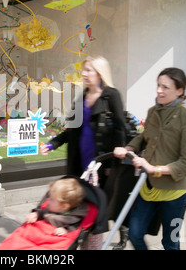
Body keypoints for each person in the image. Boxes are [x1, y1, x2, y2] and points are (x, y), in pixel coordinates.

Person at [41, 55, 127, 248]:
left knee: (94, 211)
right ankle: (79, 241)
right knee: (78, 206)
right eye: (84, 70)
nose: (85, 74)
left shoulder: (111, 95)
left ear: (100, 73)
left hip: (100, 164)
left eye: (89, 70)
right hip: (79, 162)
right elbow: (71, 129)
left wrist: (113, 165)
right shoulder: (81, 97)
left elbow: (119, 130)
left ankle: (92, 244)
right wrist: (52, 143)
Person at [114, 67, 186, 250]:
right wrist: (129, 147)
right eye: (158, 85)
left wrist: (155, 169)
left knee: (171, 243)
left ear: (180, 91)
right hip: (149, 190)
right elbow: (145, 136)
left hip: (176, 194)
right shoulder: (153, 112)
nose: (159, 90)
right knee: (135, 234)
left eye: (165, 87)